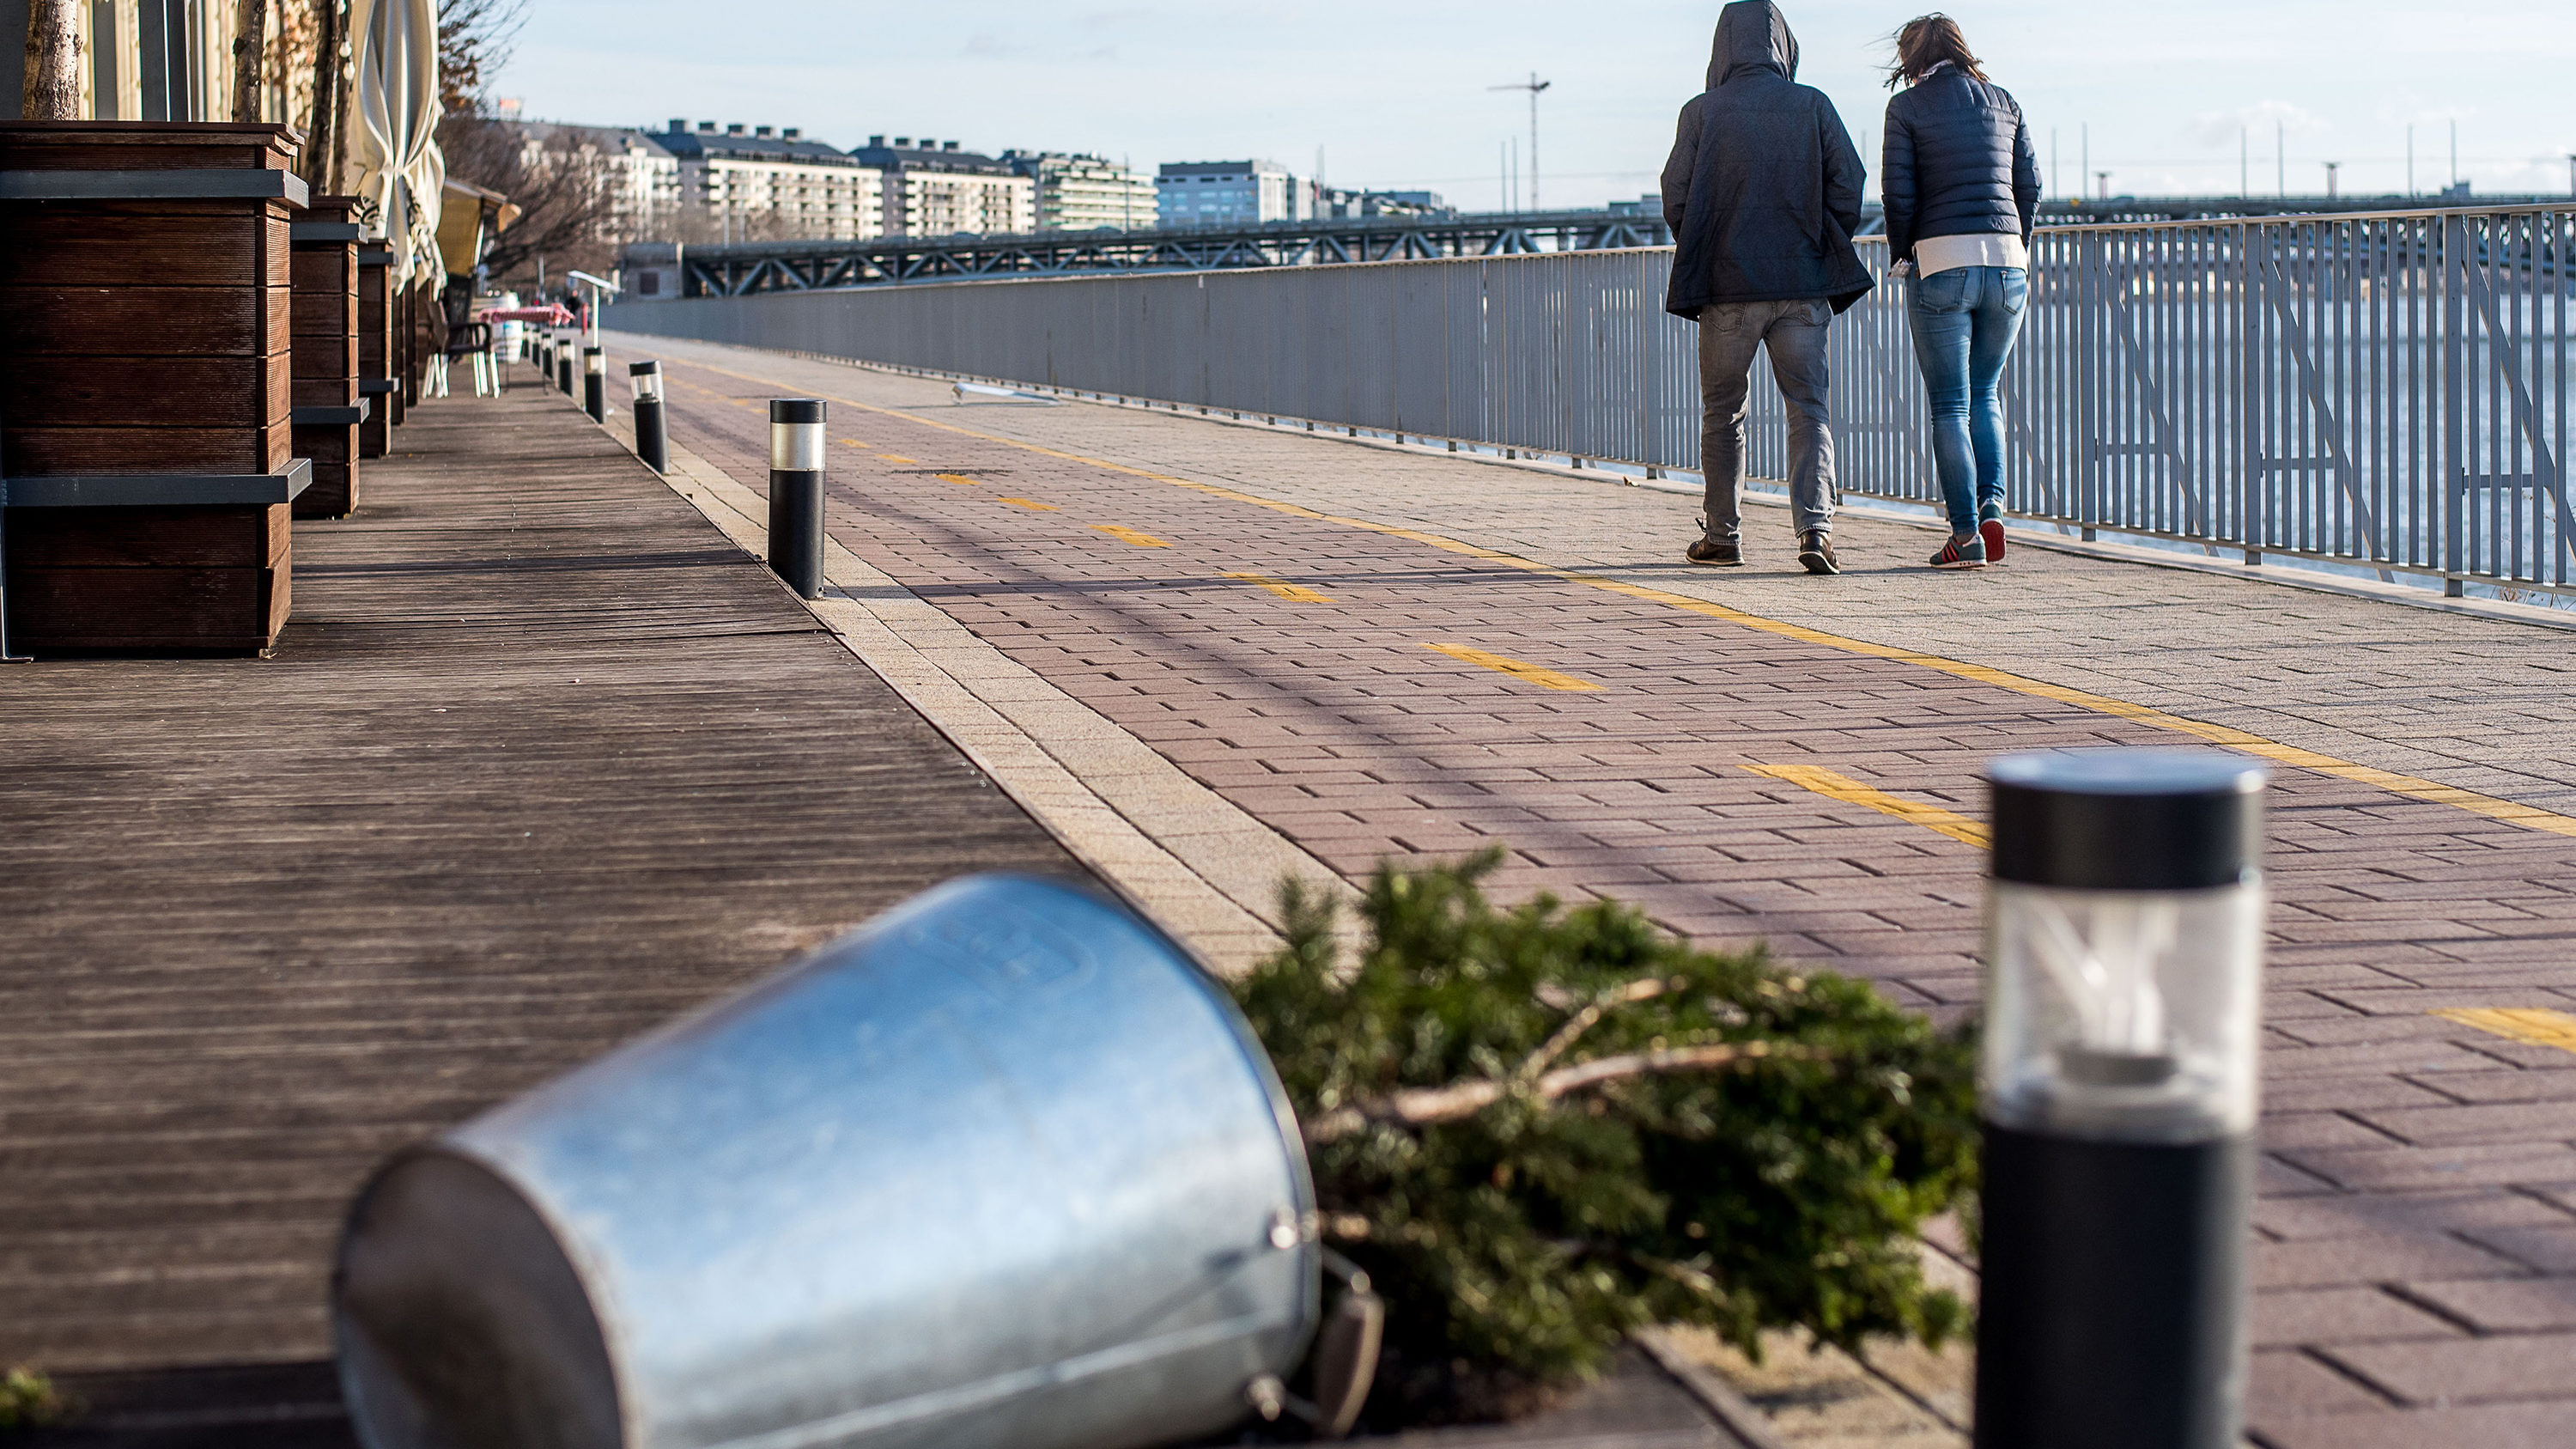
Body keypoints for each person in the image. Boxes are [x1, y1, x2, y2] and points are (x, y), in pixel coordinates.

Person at [1661, 0, 1873, 576]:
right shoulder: (1813, 106)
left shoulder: (1701, 112)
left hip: (1725, 288)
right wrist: (1821, 237)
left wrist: (1707, 244)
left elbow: (1675, 195)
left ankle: (1723, 536)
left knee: (1723, 412)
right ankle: (1815, 531)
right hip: (1801, 285)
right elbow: (1849, 182)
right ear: (1784, 45)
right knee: (1808, 408)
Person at [1880, 13, 2040, 569]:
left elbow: (1898, 193)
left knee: (1949, 404)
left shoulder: (1906, 108)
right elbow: (2030, 186)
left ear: (1911, 59)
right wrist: (2013, 243)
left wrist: (1906, 254)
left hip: (1942, 263)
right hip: (2008, 265)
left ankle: (1966, 535)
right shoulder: (2004, 101)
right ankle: (1993, 503)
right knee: (1986, 393)